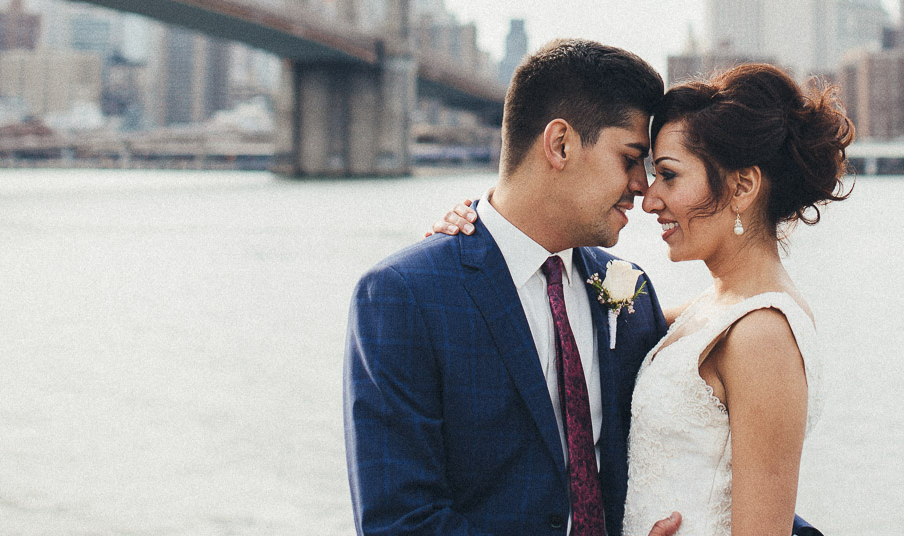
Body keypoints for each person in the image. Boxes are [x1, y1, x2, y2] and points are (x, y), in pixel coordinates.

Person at [434, 63, 853, 536]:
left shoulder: (764, 337)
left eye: (669, 176)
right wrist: (483, 226)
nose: (648, 198)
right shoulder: (704, 312)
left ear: (742, 186)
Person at [344, 38, 684, 536]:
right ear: (561, 144)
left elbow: (693, 456)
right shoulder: (403, 296)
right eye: (631, 157)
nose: (642, 184)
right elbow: (401, 522)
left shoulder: (629, 290)